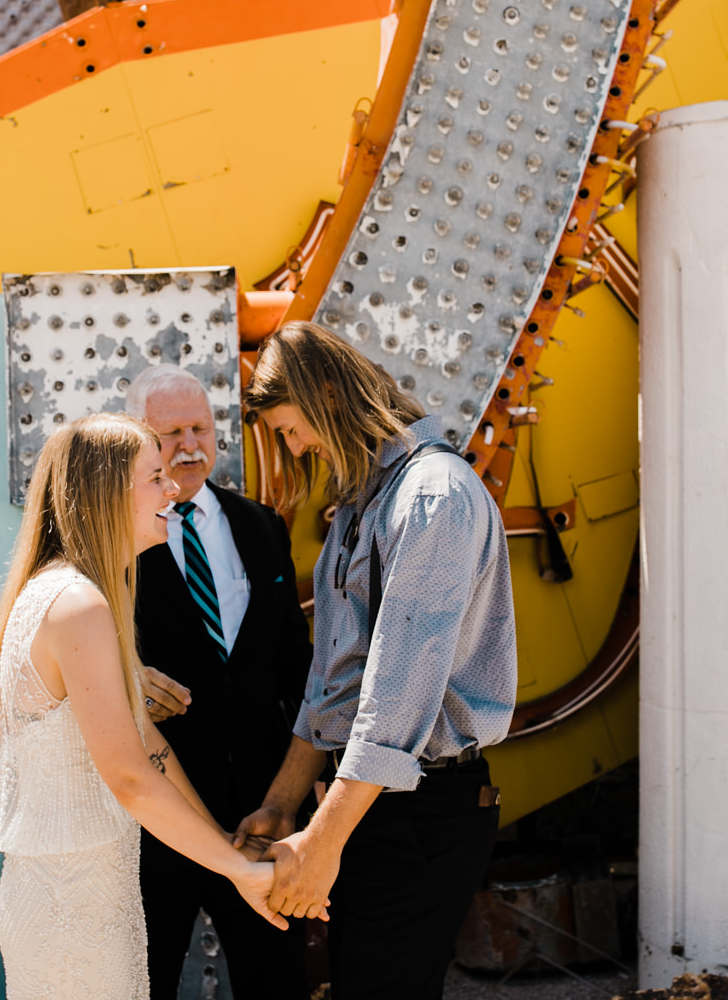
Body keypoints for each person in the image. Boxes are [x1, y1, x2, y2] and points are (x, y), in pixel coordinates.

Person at [0, 414, 299, 999]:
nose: (172, 488)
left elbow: (154, 751)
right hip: (72, 907)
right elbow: (131, 778)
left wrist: (225, 848)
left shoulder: (75, 592)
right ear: (108, 493)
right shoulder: (78, 605)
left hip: (92, 895)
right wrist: (241, 870)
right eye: (154, 477)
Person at [242, 321, 517, 1000]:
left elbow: (396, 699)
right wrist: (282, 807)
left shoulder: (431, 498)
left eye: (288, 428)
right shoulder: (358, 505)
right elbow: (332, 686)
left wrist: (321, 843)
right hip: (374, 805)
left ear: (329, 395)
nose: (293, 446)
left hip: (423, 810)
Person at [123, 366, 314, 1000]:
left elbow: (292, 661)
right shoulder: (114, 538)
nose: (190, 445)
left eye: (200, 428)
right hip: (159, 821)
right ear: (140, 441)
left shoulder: (262, 526)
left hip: (260, 817)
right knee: (144, 982)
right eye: (170, 432)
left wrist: (294, 794)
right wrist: (130, 675)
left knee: (277, 982)